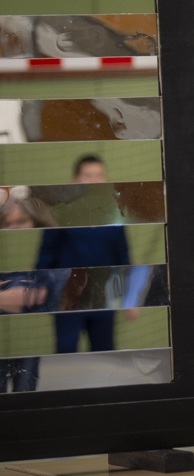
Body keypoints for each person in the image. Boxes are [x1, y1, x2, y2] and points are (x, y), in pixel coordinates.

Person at [37, 155, 133, 355]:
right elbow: (47, 254)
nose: (94, 181)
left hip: (103, 296)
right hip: (68, 296)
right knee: (66, 349)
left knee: (104, 351)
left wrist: (131, 298)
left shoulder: (114, 215)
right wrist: (40, 291)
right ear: (75, 180)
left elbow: (123, 256)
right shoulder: (60, 213)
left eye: (99, 175)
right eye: (88, 175)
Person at [0, 193, 58, 392]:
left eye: (21, 221)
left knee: (25, 393)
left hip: (29, 337)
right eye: (7, 223)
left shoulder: (47, 255)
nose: (14, 228)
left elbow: (42, 295)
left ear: (35, 222)